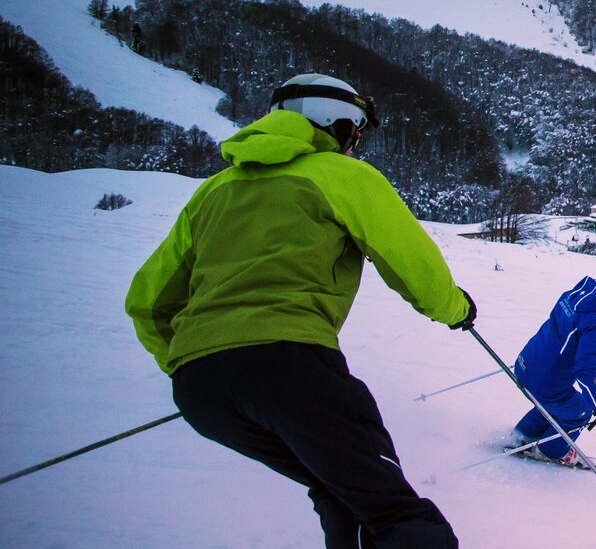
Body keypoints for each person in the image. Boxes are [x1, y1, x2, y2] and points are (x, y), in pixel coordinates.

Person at [126, 73, 474, 548]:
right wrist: (454, 309)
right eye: (356, 131)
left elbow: (147, 301)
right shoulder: (341, 176)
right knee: (391, 509)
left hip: (200, 391)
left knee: (339, 486)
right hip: (290, 366)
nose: (355, 144)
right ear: (338, 123)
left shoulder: (213, 191)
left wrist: (192, 358)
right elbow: (410, 261)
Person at [509, 260, 596, 465]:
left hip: (526, 363)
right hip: (546, 380)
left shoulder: (580, 294)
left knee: (559, 402)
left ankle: (521, 437)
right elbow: (585, 370)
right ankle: (551, 452)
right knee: (581, 410)